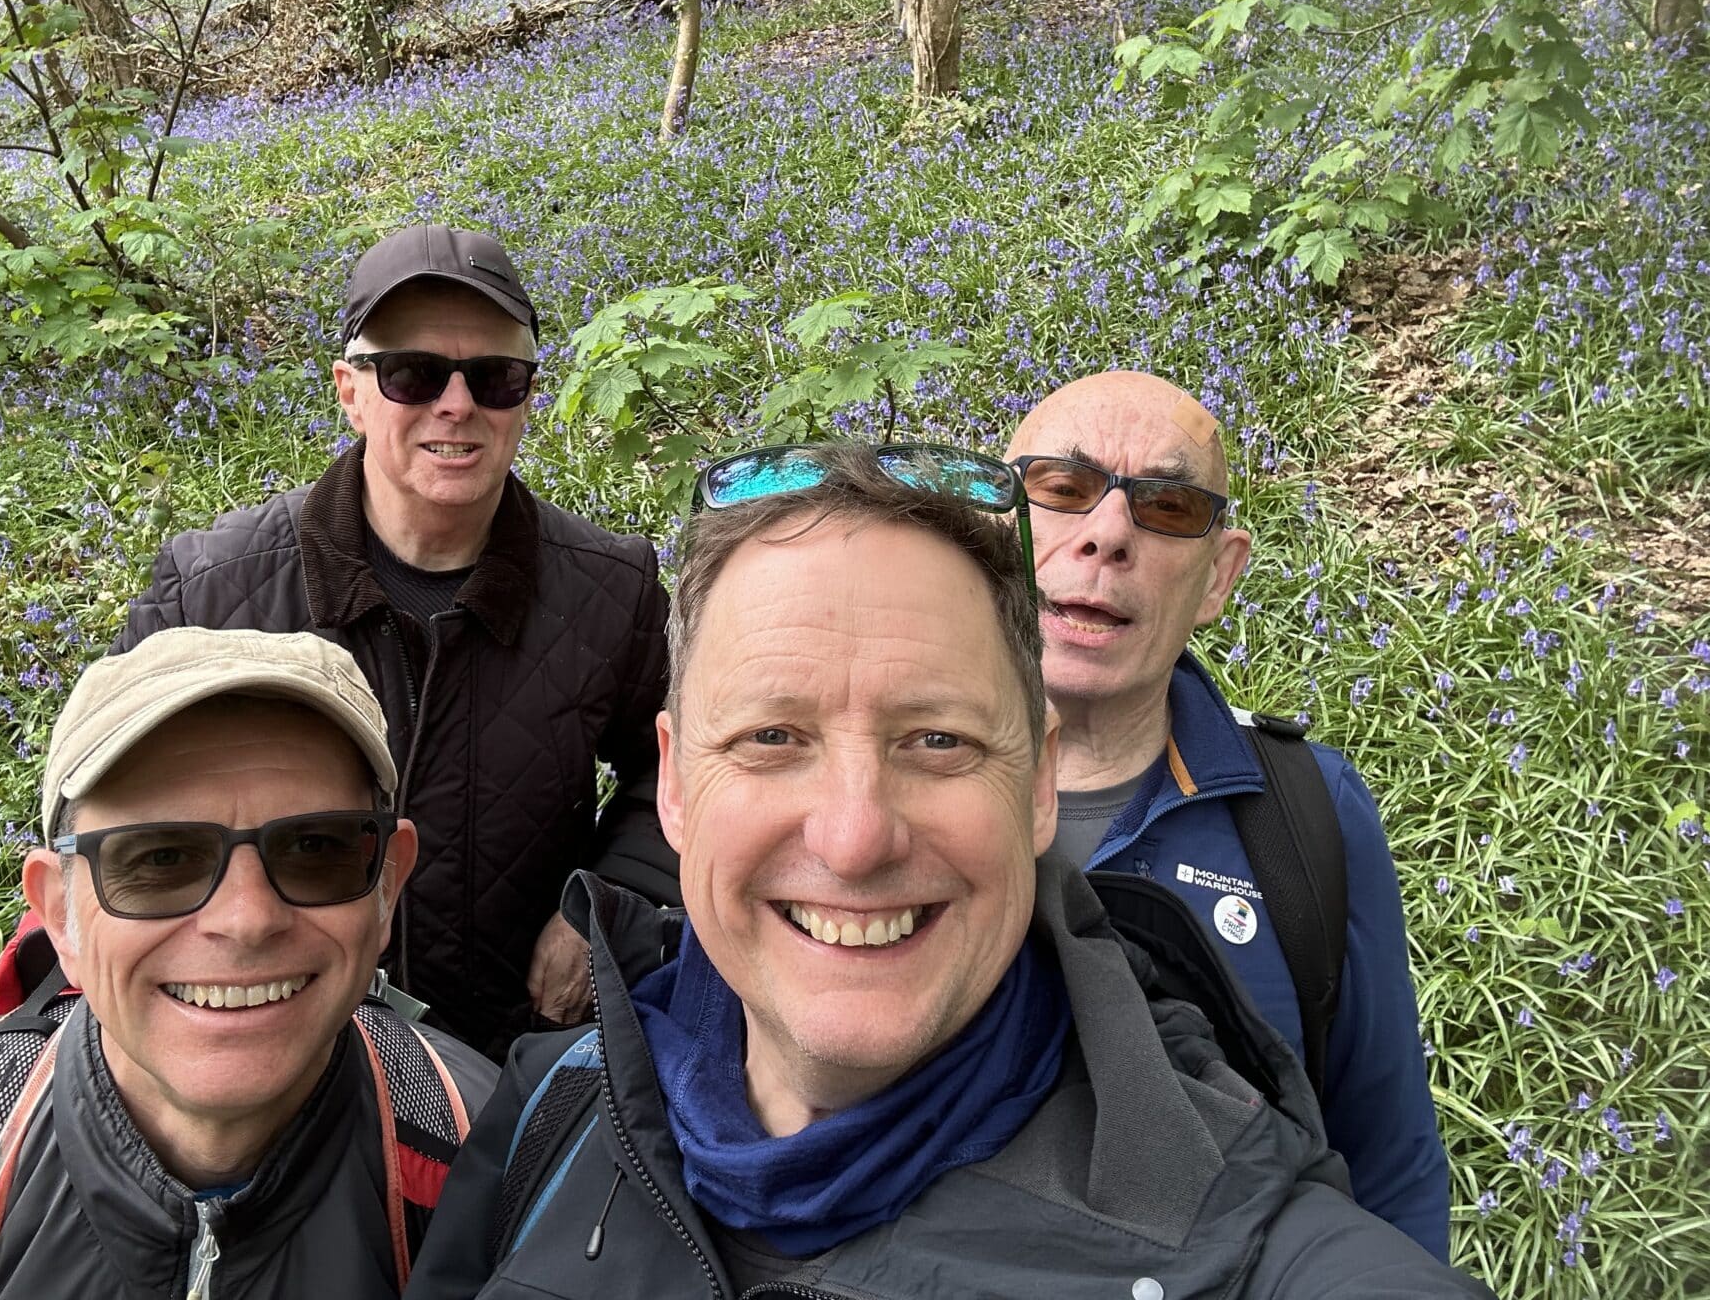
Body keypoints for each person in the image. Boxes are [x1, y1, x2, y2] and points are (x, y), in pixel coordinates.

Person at [406, 442, 1492, 1300]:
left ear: (1036, 792)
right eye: (770, 738)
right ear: (675, 790)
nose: (851, 837)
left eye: (937, 742)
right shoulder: (552, 1108)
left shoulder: (1254, 1251)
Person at [0, 627, 496, 1300]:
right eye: (161, 859)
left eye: (317, 850)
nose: (246, 920)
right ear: (58, 911)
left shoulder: (492, 1159)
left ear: (388, 882)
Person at [115, 224, 675, 1058]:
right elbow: (113, 816)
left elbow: (685, 761)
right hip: (284, 1049)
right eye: (413, 375)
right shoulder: (213, 588)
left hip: (512, 1050)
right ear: (351, 391)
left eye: (495, 378)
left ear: (527, 397)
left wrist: (603, 904)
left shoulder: (609, 586)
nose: (458, 405)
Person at [1004, 369, 1451, 1258]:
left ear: (1218, 578)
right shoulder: (876, 789)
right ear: (991, 525)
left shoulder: (1306, 809)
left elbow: (1387, 1158)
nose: (1107, 536)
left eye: (1167, 508)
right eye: (1061, 488)